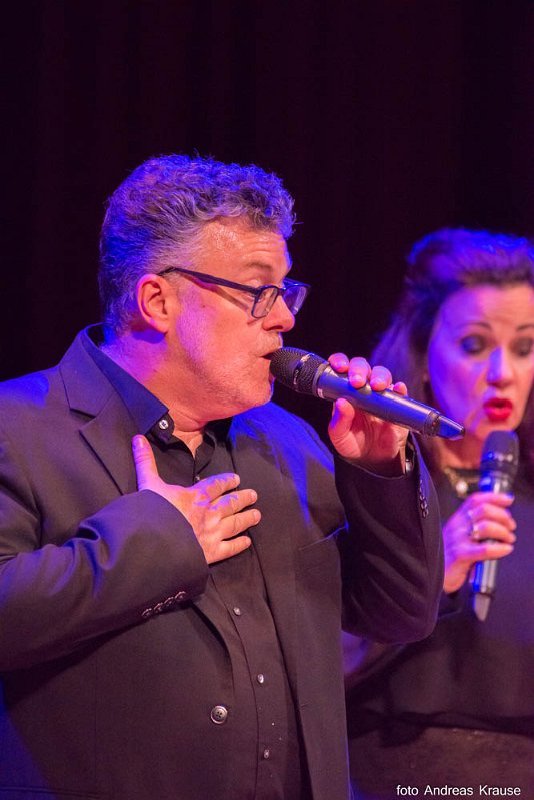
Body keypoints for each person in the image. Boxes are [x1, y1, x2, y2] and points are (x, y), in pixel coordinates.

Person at [0, 154, 442, 800]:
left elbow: (399, 614)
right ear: (158, 301)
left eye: (286, 291)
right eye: (259, 291)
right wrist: (156, 542)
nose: (285, 318)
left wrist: (379, 472)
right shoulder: (17, 429)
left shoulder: (287, 440)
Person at [346, 228, 534, 799]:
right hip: (390, 774)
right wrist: (435, 568)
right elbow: (317, 659)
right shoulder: (378, 488)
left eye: (525, 347)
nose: (503, 372)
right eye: (475, 344)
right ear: (423, 355)